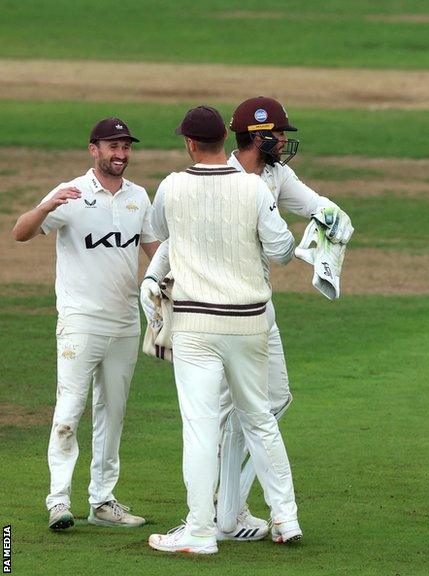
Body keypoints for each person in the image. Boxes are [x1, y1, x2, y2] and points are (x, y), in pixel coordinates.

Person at [140, 96, 350, 541]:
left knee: (266, 406)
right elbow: (181, 239)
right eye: (277, 135)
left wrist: (332, 220)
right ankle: (232, 514)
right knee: (235, 415)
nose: (283, 142)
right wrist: (154, 275)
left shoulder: (273, 175)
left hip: (244, 315)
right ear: (254, 137)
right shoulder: (236, 182)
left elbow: (315, 205)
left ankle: (227, 515)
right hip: (236, 314)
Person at [12, 118, 155, 531]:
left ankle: (102, 500)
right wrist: (45, 208)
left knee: (113, 412)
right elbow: (21, 232)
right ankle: (58, 500)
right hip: (80, 322)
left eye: (126, 147)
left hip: (125, 322)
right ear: (94, 149)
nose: (121, 154)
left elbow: (154, 251)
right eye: (113, 146)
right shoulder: (69, 193)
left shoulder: (138, 197)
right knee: (69, 410)